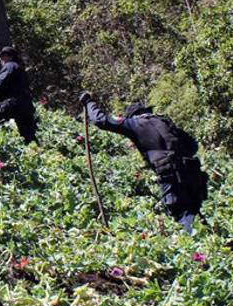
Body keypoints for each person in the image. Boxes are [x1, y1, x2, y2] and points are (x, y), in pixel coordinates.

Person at [79, 93, 209, 233]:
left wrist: (88, 102)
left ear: (132, 115)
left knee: (182, 215)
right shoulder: (165, 122)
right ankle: (218, 245)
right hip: (193, 172)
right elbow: (193, 146)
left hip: (170, 174)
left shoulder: (135, 123)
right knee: (194, 213)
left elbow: (101, 121)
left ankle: (199, 250)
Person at [0, 46, 37, 142]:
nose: (1, 59)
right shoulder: (20, 68)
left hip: (13, 102)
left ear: (9, 57)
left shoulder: (9, 66)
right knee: (28, 134)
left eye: (2, 56)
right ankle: (36, 152)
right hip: (26, 104)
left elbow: (1, 81)